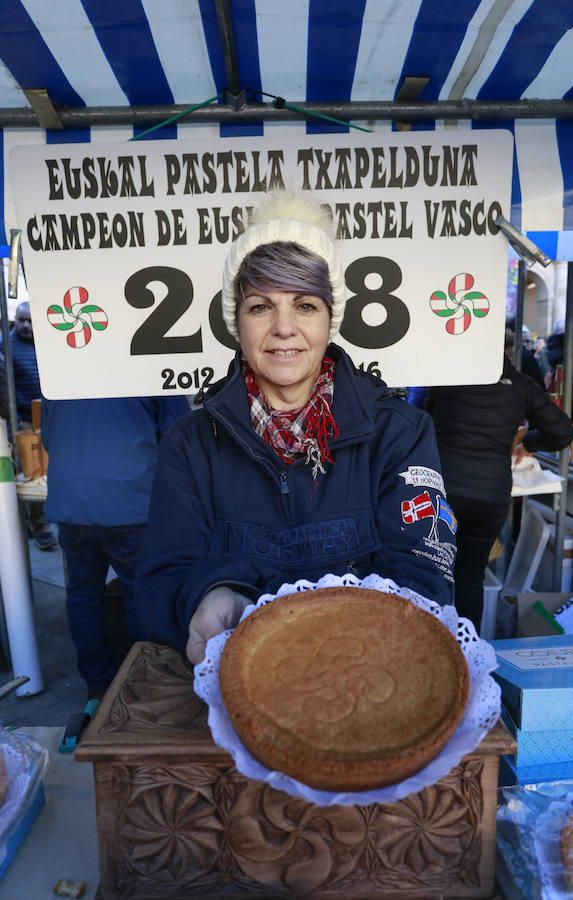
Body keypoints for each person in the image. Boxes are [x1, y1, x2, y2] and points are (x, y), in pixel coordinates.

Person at [135, 191, 456, 664]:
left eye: (305, 305)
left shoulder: (400, 433)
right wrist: (208, 596)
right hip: (238, 680)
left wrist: (322, 641)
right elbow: (158, 586)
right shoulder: (190, 444)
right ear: (236, 323)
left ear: (330, 320)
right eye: (260, 306)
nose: (284, 328)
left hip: (367, 668)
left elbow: (426, 575)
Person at [424, 330, 573, 631]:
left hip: (443, 488)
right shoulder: (521, 386)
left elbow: (420, 423)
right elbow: (562, 433)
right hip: (489, 494)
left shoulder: (445, 380)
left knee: (430, 573)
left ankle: (429, 651)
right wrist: (528, 442)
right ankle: (466, 655)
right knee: (470, 577)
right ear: (505, 352)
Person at [42, 395, 189, 699]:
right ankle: (143, 681)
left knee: (83, 597)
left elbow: (48, 438)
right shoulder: (145, 365)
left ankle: (97, 685)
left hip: (72, 501)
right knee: (141, 596)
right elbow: (181, 432)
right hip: (131, 501)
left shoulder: (59, 367)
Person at [0, 301, 55, 549]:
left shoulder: (46, 345)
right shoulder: (6, 346)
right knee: (34, 475)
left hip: (47, 415)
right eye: (21, 319)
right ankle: (40, 527)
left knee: (44, 473)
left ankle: (36, 523)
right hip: (23, 419)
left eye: (31, 321)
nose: (25, 325)